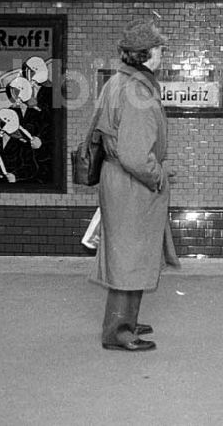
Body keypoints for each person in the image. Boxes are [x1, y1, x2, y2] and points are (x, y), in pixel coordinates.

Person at [89, 18, 180, 351]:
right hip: (132, 185)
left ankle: (127, 319)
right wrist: (158, 175)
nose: (162, 56)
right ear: (145, 55)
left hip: (120, 181)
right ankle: (118, 332)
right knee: (128, 257)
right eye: (158, 50)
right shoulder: (137, 91)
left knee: (132, 254)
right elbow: (135, 155)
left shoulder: (119, 82)